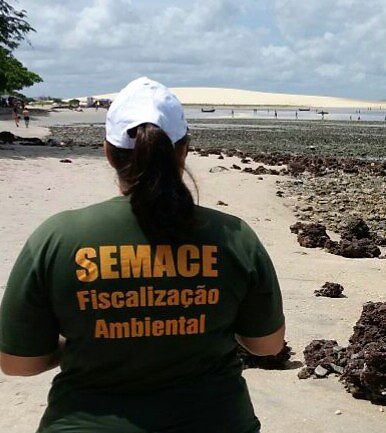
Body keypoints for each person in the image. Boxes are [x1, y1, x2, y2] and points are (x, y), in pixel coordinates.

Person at [0, 77, 286, 433]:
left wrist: (87, 342)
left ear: (107, 151)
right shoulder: (235, 237)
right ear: (183, 150)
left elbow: (18, 363)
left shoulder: (56, 238)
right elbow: (267, 345)